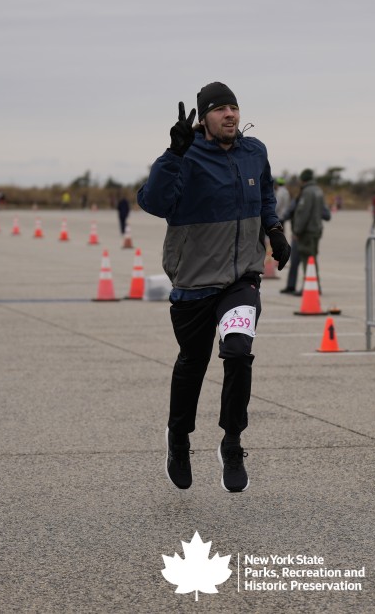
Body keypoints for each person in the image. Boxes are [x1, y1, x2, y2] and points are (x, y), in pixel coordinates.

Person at [138, 82, 289, 493]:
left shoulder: (254, 151)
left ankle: (232, 442)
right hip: (194, 280)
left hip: (241, 278)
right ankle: (178, 439)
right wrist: (172, 155)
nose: (230, 115)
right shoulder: (185, 156)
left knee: (238, 352)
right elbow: (153, 202)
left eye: (234, 108)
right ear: (204, 118)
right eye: (220, 109)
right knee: (193, 361)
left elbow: (265, 194)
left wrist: (274, 229)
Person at [291, 168, 325, 293]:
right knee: (313, 258)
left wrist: (297, 231)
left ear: (303, 179)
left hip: (307, 231)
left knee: (307, 259)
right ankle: (315, 285)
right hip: (317, 229)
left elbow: (303, 213)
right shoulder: (318, 190)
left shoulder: (307, 192)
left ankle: (310, 287)